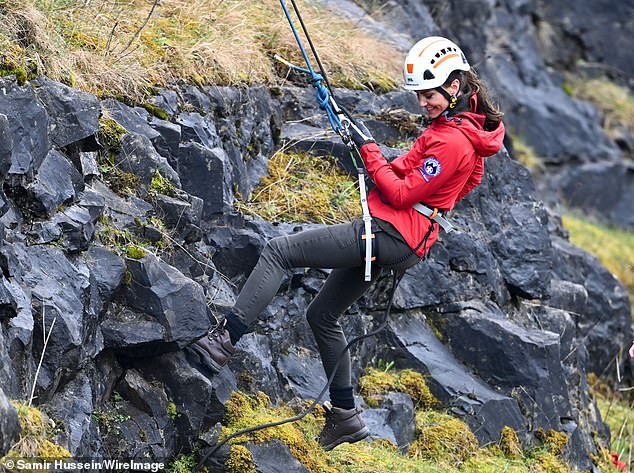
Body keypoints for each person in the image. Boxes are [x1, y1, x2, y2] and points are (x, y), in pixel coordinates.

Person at [191, 36, 505, 451]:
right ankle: (345, 416)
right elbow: (455, 177)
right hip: (405, 237)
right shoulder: (461, 131)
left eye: (428, 95)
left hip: (393, 234)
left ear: (454, 87)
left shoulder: (452, 140)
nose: (422, 103)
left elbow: (400, 193)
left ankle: (222, 341)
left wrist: (372, 155)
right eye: (419, 95)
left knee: (280, 252)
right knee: (322, 314)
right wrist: (372, 151)